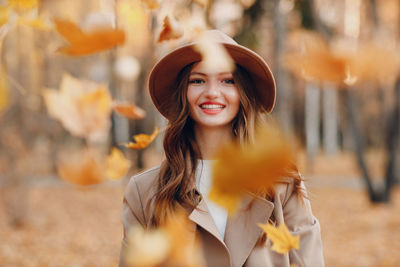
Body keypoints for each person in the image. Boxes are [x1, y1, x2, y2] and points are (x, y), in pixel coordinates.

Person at [119, 30, 324, 267]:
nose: (212, 92)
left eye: (228, 81)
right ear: (183, 94)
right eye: (198, 80)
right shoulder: (144, 191)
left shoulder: (282, 183)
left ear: (243, 93)